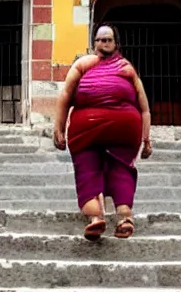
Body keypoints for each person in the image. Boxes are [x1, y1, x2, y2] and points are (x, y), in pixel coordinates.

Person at [53, 24, 152, 240]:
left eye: (107, 40)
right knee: (119, 168)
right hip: (117, 127)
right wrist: (58, 128)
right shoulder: (120, 67)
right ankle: (122, 218)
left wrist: (147, 139)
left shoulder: (120, 68)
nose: (103, 44)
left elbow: (144, 107)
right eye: (99, 40)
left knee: (92, 168)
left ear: (116, 43)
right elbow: (66, 97)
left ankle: (97, 217)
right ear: (94, 42)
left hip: (98, 127)